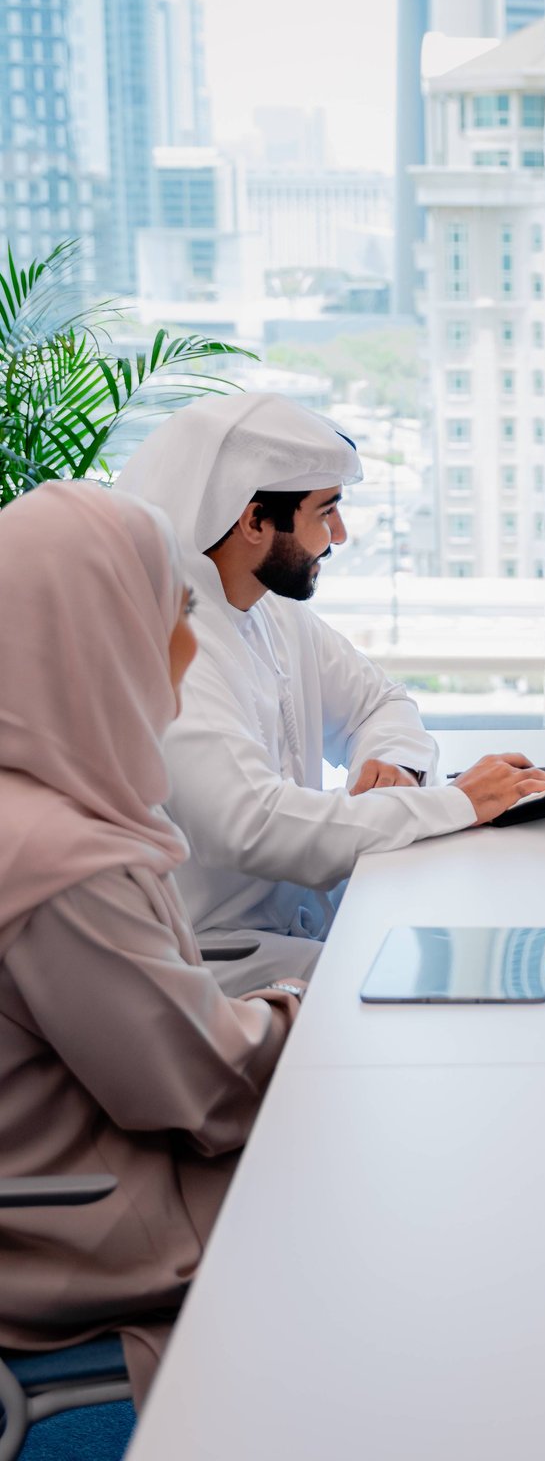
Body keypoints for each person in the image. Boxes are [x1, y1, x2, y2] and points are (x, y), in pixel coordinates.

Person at [0, 482, 302, 1405]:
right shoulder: (61, 862)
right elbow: (197, 1091)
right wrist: (307, 1015)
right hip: (82, 1224)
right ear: (98, 634)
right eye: (173, 615)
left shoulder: (41, 798)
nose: (186, 646)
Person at [115, 392, 545, 982]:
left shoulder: (269, 609)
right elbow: (253, 825)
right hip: (220, 963)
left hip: (304, 925)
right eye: (326, 512)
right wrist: (456, 802)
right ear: (253, 520)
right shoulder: (172, 637)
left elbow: (382, 702)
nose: (340, 536)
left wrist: (388, 764)